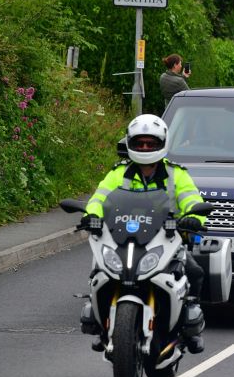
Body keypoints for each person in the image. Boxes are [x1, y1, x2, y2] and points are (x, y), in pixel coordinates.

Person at [80, 115, 208, 353]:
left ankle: (191, 326)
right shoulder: (119, 173)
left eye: (151, 143)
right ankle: (100, 326)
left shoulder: (176, 174)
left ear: (163, 143)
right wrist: (91, 215)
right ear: (130, 143)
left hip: (166, 238)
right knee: (100, 270)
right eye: (140, 143)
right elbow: (99, 198)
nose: (145, 148)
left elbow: (193, 200)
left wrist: (193, 218)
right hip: (123, 236)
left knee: (194, 271)